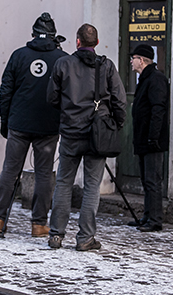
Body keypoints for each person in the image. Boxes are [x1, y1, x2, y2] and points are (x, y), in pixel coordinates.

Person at [47, 23, 126, 251]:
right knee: (92, 186)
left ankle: (56, 235)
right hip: (97, 133)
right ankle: (85, 238)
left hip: (71, 131)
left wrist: (67, 110)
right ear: (97, 43)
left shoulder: (63, 64)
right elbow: (120, 101)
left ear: (77, 41)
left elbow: (51, 98)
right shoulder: (106, 66)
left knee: (63, 183)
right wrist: (116, 125)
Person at [0, 12, 68, 237]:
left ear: (33, 34)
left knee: (10, 171)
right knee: (44, 174)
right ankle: (38, 223)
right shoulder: (61, 59)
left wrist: (5, 121)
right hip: (48, 125)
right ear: (54, 36)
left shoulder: (19, 55)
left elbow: (5, 91)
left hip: (19, 122)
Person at [129, 44, 169, 232]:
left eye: (134, 58)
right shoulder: (145, 79)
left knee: (153, 179)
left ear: (142, 60)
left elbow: (158, 109)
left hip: (152, 139)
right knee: (146, 179)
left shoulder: (156, 79)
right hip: (144, 137)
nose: (131, 61)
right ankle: (148, 215)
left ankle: (155, 219)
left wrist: (153, 137)